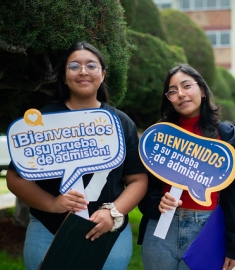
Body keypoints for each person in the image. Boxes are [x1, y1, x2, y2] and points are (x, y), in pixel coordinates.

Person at [6, 41, 148, 270]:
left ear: (102, 74)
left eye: (91, 65)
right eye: (74, 66)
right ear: (63, 76)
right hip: (48, 229)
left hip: (108, 232)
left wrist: (113, 212)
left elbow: (138, 179)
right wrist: (52, 204)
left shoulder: (120, 122)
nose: (83, 71)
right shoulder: (43, 120)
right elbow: (15, 177)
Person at [138, 64, 235, 270]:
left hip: (207, 229)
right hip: (162, 228)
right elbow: (142, 183)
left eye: (186, 86)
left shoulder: (226, 137)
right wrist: (156, 204)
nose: (180, 94)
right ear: (168, 100)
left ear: (202, 90)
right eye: (172, 91)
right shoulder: (159, 136)